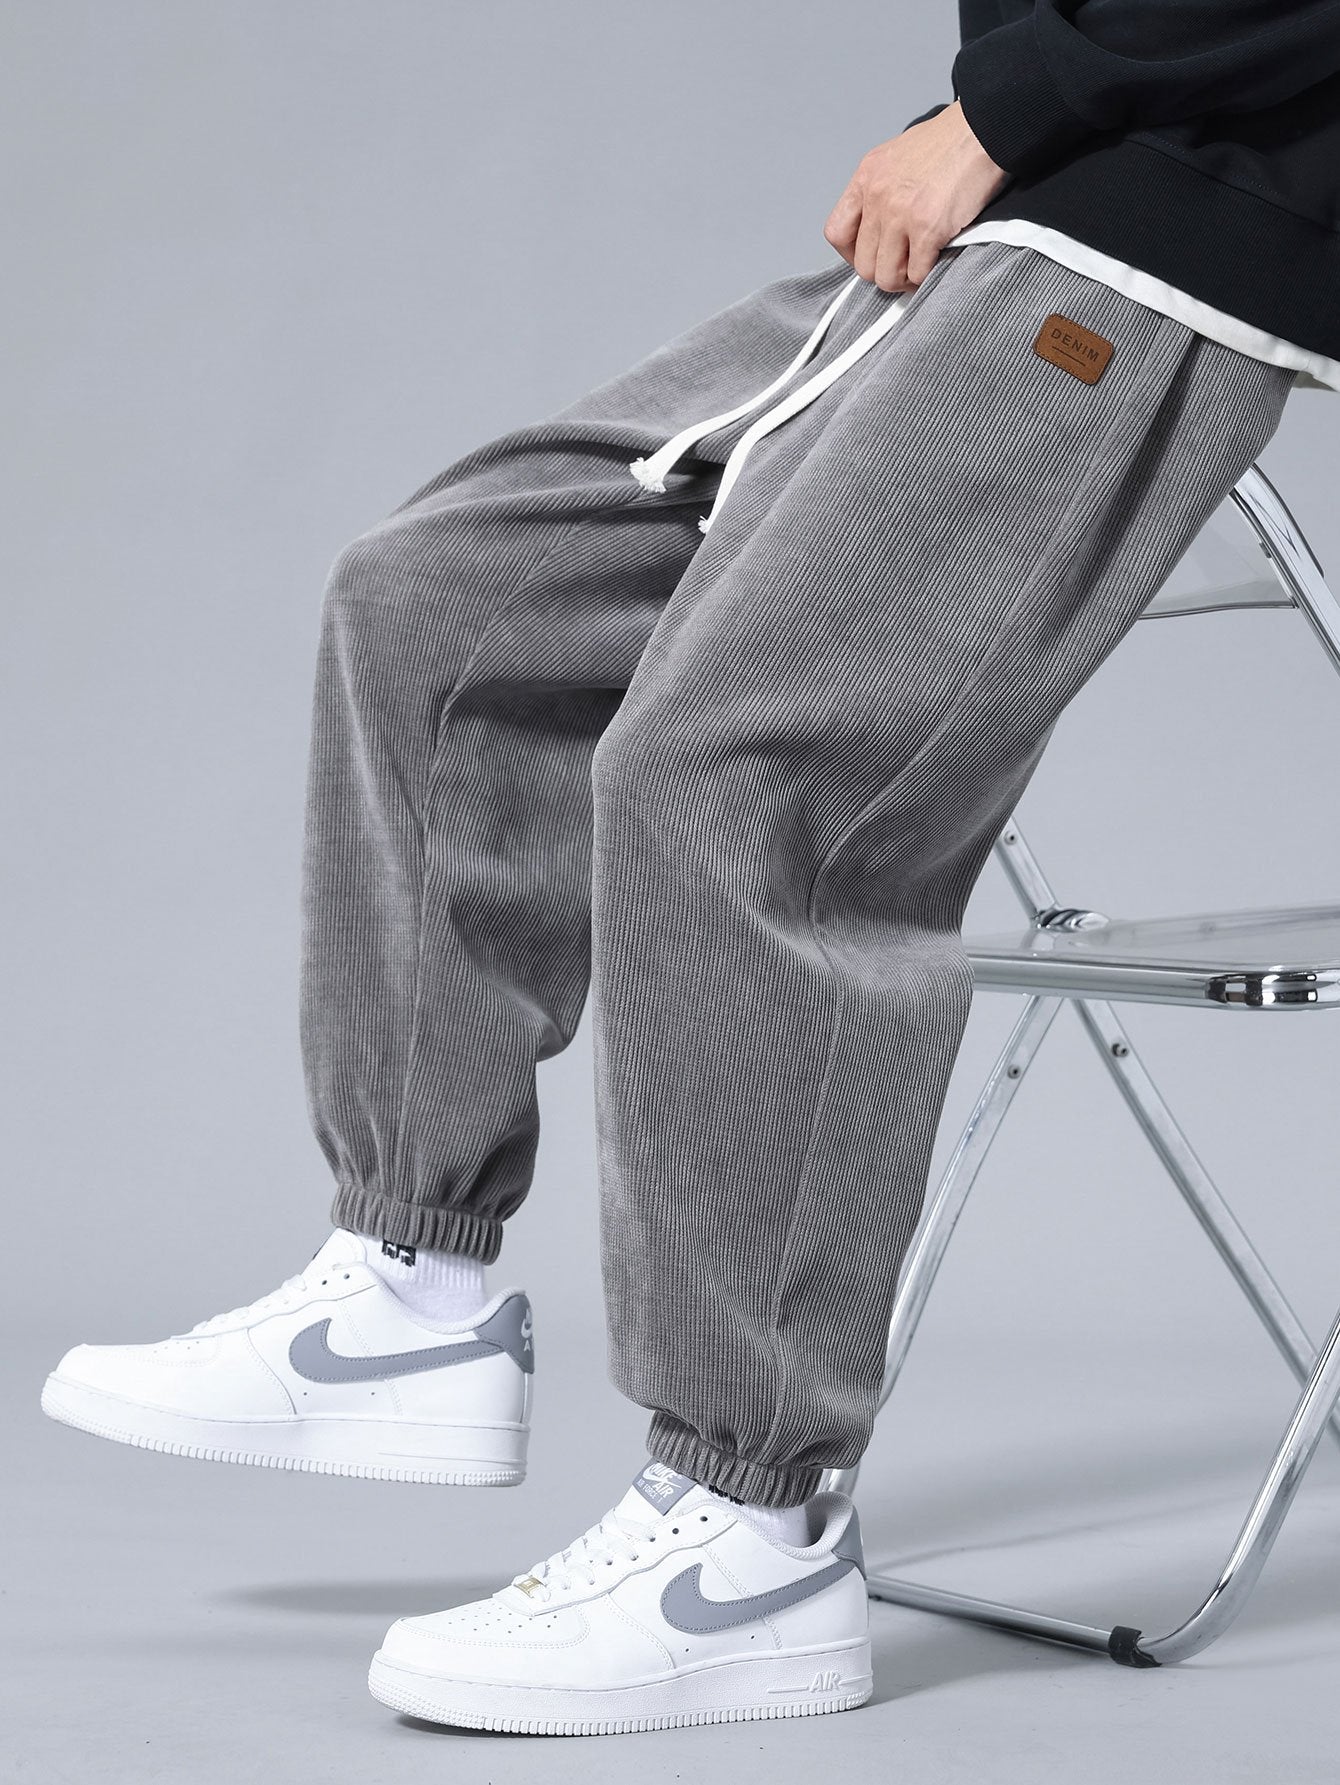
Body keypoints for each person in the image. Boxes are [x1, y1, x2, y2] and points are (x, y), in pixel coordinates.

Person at [41, 0, 1340, 1740]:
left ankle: (754, 1528)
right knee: (437, 608)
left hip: (1183, 224)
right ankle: (407, 1282)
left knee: (727, 772)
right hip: (1025, 188)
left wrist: (1003, 106)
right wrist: (1000, 126)